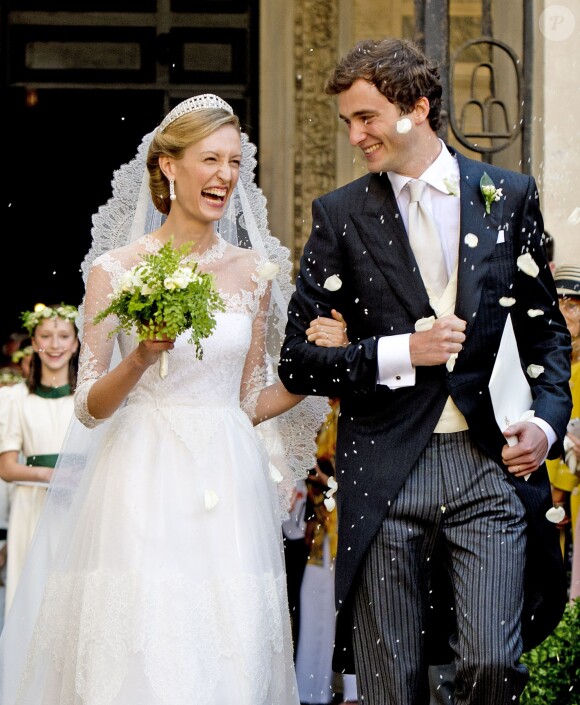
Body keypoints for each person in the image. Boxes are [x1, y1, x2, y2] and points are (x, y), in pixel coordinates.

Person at [0, 95, 346, 705]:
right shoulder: (116, 268)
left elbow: (249, 401)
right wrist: (139, 358)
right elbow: (87, 404)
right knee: (141, 646)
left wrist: (323, 366)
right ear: (168, 166)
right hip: (139, 475)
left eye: (235, 162)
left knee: (228, 651)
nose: (225, 176)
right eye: (210, 159)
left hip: (227, 479)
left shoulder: (253, 272)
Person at [278, 37, 573, 705]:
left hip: (485, 462)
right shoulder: (339, 215)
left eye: (367, 117)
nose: (355, 136)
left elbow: (546, 336)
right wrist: (396, 351)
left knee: (493, 664)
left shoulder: (509, 197)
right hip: (381, 466)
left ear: (418, 107)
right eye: (348, 121)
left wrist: (546, 425)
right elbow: (298, 358)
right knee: (390, 683)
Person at [0, 303, 79, 616]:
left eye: (63, 336)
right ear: (34, 342)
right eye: (46, 336)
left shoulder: (87, 398)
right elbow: (6, 467)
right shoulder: (15, 398)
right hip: (31, 506)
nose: (55, 345)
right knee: (30, 596)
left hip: (77, 504)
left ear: (75, 344)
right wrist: (53, 476)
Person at [546, 264, 580, 599]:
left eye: (573, 306)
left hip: (567, 492)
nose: (564, 313)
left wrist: (559, 491)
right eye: (558, 303)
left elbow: (574, 435)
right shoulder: (554, 360)